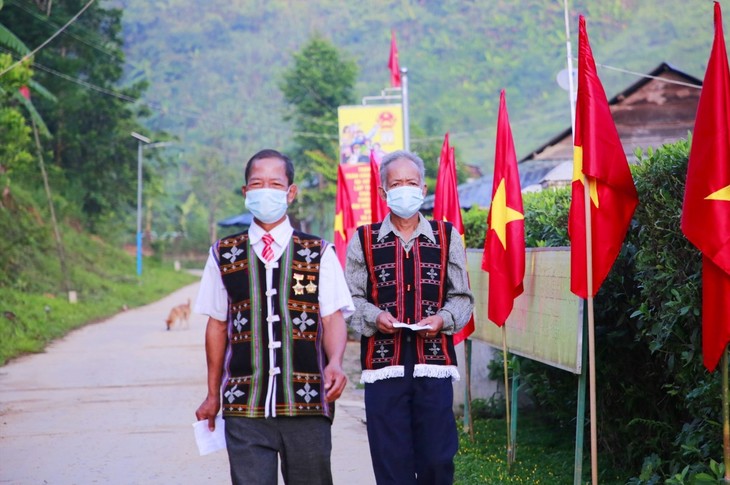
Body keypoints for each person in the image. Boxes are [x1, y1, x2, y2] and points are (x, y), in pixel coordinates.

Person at [194, 149, 354, 485]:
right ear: (245, 192)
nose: (265, 190)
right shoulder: (223, 254)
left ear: (290, 192)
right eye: (257, 183)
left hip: (308, 401)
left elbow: (333, 317)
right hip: (244, 403)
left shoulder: (319, 252)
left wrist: (335, 361)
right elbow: (217, 325)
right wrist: (212, 395)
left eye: (275, 183)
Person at [345, 150, 474, 485]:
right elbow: (351, 300)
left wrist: (443, 319)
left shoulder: (447, 237)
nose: (405, 189)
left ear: (423, 187)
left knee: (437, 458)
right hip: (383, 370)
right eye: (396, 183)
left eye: (411, 182)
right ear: (383, 192)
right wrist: (374, 316)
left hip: (434, 366)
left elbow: (462, 297)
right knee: (391, 460)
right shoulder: (364, 240)